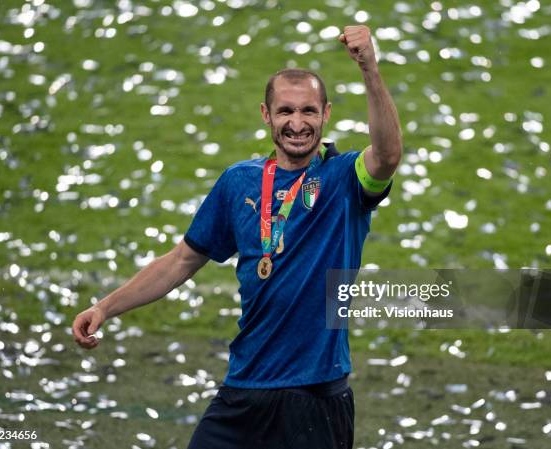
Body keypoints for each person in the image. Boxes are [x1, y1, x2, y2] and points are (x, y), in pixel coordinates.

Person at [72, 25, 402, 449]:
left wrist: (369, 68)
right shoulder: (239, 182)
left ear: (326, 114)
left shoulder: (343, 181)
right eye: (285, 112)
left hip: (316, 395)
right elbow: (180, 261)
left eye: (308, 111)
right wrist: (104, 308)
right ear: (266, 116)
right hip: (244, 389)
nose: (297, 123)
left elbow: (388, 155)